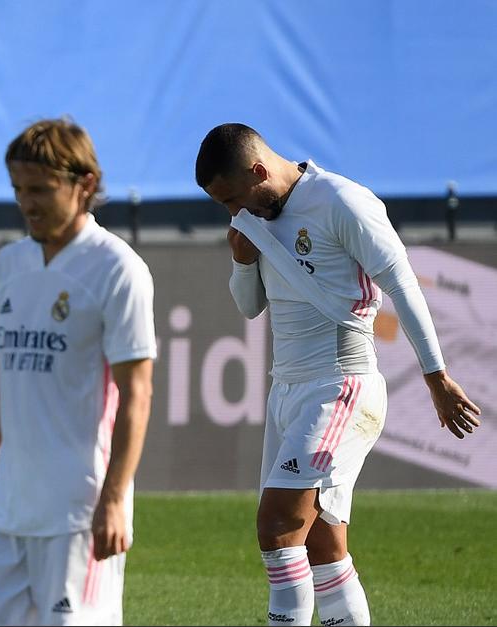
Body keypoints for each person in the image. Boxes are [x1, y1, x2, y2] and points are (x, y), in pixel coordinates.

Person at [194, 123, 482, 626]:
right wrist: (242, 262)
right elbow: (249, 307)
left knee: (279, 526)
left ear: (259, 170)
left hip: (341, 385)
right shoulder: (252, 218)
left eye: (234, 197)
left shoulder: (342, 202)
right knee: (323, 544)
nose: (234, 211)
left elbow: (403, 285)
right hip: (286, 391)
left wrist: (436, 377)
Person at [0, 118, 157, 626]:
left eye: (41, 189)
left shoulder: (118, 269)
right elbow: (6, 380)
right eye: (19, 189)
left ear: (84, 184)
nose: (27, 203)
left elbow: (137, 395)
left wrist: (112, 501)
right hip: (9, 509)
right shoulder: (11, 264)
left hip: (77, 514)